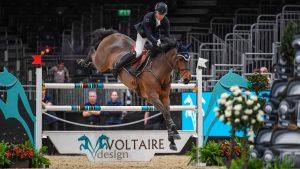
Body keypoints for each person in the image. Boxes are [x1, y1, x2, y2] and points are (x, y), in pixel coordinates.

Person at [112, 2, 170, 78]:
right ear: (156, 12)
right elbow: (148, 34)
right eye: (159, 14)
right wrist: (156, 43)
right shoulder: (148, 17)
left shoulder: (165, 21)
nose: (161, 16)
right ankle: (117, 66)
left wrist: (167, 43)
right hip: (143, 34)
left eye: (163, 15)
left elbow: (167, 35)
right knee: (138, 52)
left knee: (160, 51)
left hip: (154, 36)